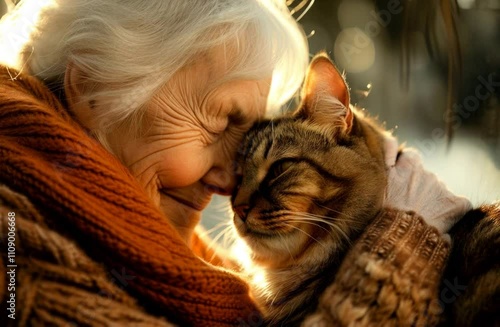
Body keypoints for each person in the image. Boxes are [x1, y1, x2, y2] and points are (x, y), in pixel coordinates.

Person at [0, 0, 497, 326]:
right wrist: (391, 275)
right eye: (218, 123)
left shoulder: (170, 256)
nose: (227, 184)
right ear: (95, 89)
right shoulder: (22, 272)